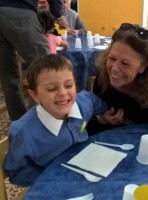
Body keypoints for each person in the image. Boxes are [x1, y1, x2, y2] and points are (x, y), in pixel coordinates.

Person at [4, 54, 108, 187]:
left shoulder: (83, 103)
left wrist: (103, 114)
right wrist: (51, 178)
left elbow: (93, 101)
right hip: (54, 183)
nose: (63, 93)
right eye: (52, 89)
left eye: (69, 85)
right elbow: (17, 173)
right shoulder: (23, 133)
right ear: (35, 95)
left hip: (88, 167)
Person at [87, 23, 148, 135]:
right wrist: (101, 119)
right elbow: (91, 124)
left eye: (125, 63)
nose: (114, 69)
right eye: (112, 58)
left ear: (144, 66)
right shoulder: (102, 79)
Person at [0, 0, 68, 121]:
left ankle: (19, 124)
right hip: (19, 11)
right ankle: (34, 123)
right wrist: (58, 15)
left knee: (9, 78)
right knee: (47, 67)